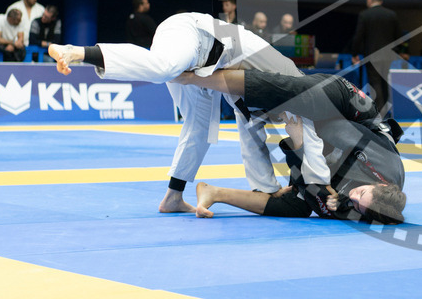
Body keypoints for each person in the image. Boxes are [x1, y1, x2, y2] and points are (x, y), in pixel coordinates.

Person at [48, 12, 328, 213]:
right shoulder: (291, 83)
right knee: (163, 68)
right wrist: (320, 187)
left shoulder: (261, 104)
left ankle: (173, 197)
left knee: (201, 128)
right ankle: (77, 52)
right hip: (193, 34)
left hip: (205, 66)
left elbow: (251, 138)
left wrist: (267, 189)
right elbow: (308, 141)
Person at [174, 68, 405, 224]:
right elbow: (334, 130)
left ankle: (215, 193)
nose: (354, 196)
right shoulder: (387, 165)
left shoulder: (363, 207)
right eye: (361, 193)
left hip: (326, 153)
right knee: (302, 100)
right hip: (347, 109)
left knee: (296, 207)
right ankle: (192, 77)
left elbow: (320, 200)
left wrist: (300, 148)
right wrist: (303, 141)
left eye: (357, 205)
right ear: (379, 186)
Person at [350, 0, 401, 115]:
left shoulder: (365, 15)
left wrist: (354, 53)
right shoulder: (391, 15)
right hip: (388, 56)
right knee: (384, 83)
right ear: (381, 1)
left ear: (369, 0)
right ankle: (387, 112)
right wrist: (397, 51)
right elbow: (399, 36)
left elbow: (358, 36)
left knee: (375, 82)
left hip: (372, 55)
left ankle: (380, 113)